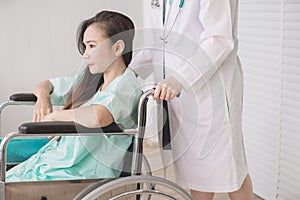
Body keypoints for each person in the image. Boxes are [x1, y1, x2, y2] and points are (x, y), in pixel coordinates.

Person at [129, 0, 253, 199]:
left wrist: (181, 78)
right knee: (196, 169)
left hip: (212, 89)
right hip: (177, 93)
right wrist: (128, 72)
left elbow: (219, 39)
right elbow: (160, 41)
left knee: (230, 170)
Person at [6, 10, 141, 182]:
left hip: (82, 171)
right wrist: (43, 97)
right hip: (58, 158)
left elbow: (99, 116)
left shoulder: (125, 85)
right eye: (85, 47)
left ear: (117, 48)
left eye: (92, 46)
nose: (85, 54)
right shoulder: (91, 80)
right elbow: (46, 85)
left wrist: (55, 116)